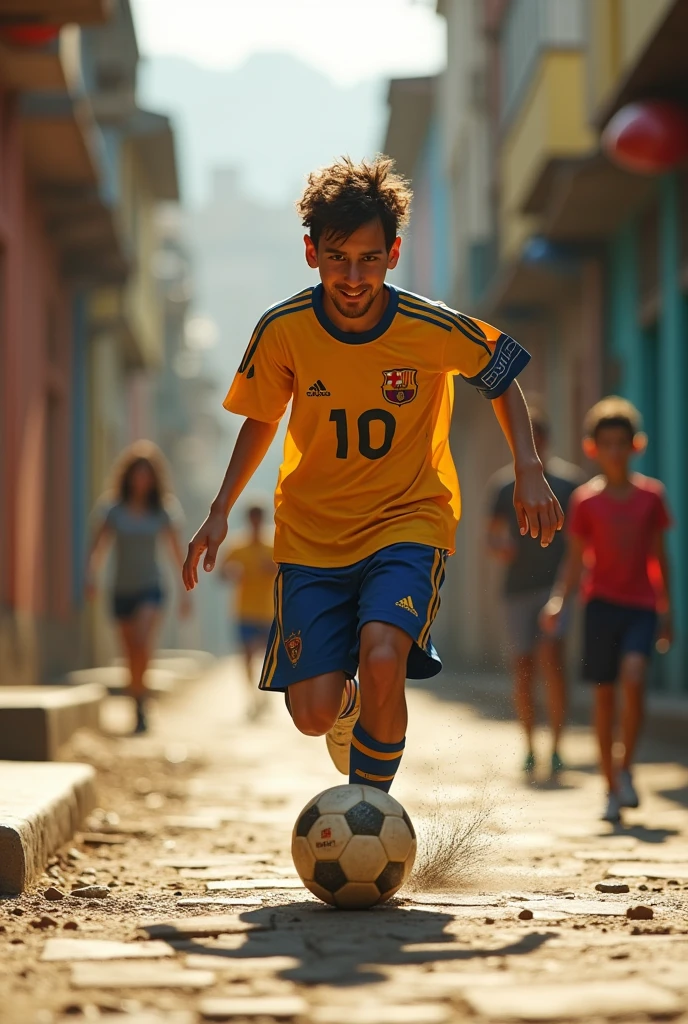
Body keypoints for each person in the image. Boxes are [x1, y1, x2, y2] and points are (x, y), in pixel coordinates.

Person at [183, 156, 562, 793]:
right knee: (312, 715)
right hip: (311, 537)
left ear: (393, 252)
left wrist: (527, 465)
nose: (353, 276)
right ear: (311, 252)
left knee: (384, 655)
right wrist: (220, 510)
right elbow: (260, 420)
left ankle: (369, 811)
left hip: (409, 522)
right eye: (338, 258)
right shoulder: (283, 332)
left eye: (369, 258)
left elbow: (501, 376)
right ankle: (348, 709)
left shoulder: (428, 327)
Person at [541, 397, 672, 823]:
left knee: (634, 677)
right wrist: (560, 599)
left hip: (640, 606)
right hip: (600, 607)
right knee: (602, 698)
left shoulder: (652, 496)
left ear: (636, 445)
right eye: (607, 443)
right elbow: (576, 559)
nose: (616, 451)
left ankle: (628, 768)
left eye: (623, 442)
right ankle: (611, 787)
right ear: (593, 448)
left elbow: (659, 556)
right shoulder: (586, 500)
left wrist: (667, 609)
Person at [487, 399, 584, 778]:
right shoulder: (502, 486)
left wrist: (568, 587)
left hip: (554, 587)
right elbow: (491, 536)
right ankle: (529, 746)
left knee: (552, 661)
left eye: (538, 437)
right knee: (523, 667)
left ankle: (557, 746)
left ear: (545, 440)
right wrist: (501, 548)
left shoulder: (569, 483)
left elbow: (580, 541)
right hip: (515, 590)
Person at [87, 441, 190, 735]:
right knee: (130, 651)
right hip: (120, 589)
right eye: (137, 473)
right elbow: (97, 547)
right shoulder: (112, 509)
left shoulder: (164, 510)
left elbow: (176, 553)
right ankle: (138, 702)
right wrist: (89, 576)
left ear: (154, 478)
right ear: (129, 475)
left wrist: (186, 592)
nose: (142, 479)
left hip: (151, 587)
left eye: (147, 474)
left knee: (143, 642)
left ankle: (142, 703)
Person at [221, 505, 276, 716]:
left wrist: (272, 569)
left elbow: (287, 572)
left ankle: (264, 695)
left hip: (268, 611)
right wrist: (231, 572)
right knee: (247, 657)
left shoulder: (274, 547)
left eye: (258, 519)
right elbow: (221, 574)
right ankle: (253, 697)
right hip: (243, 611)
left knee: (267, 658)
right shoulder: (237, 547)